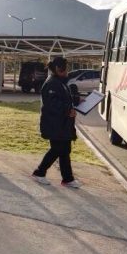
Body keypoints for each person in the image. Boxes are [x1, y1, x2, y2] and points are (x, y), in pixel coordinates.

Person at [31, 57, 82, 188]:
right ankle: (39, 172)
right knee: (57, 149)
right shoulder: (51, 83)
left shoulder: (60, 82)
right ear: (59, 69)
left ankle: (68, 179)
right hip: (54, 124)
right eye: (66, 69)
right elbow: (52, 104)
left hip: (62, 124)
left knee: (65, 150)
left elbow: (64, 99)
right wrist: (67, 110)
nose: (67, 72)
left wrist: (76, 100)